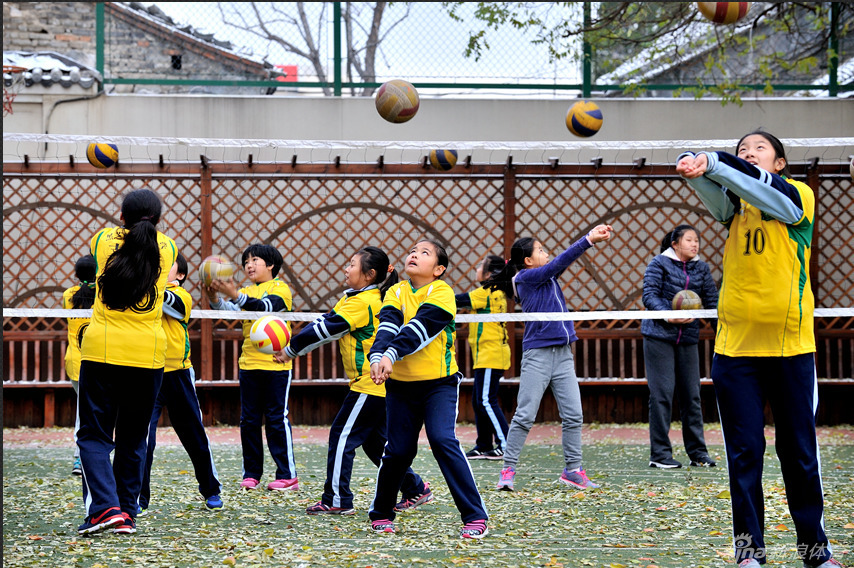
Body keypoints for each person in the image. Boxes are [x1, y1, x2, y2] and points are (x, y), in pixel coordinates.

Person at [676, 130, 840, 568]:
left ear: (780, 163)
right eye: (743, 150)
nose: (748, 154)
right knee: (744, 455)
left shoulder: (797, 197)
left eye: (758, 149)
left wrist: (717, 160)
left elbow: (753, 183)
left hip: (791, 350)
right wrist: (694, 165)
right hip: (736, 352)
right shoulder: (736, 212)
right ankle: (749, 553)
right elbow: (721, 194)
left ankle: (815, 553)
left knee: (800, 456)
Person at [273, 246, 433, 515]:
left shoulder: (364, 302)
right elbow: (327, 320)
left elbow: (328, 330)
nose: (346, 269)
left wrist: (291, 350)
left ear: (369, 275)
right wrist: (295, 342)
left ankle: (336, 499)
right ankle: (415, 488)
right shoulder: (355, 297)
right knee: (374, 444)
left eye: (351, 264)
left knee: (341, 436)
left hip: (370, 384)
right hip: (375, 384)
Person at [367, 240, 489, 539]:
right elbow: (388, 326)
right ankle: (381, 512)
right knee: (397, 451)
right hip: (401, 388)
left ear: (438, 269)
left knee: (442, 440)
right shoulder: (395, 291)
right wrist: (376, 356)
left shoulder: (443, 293)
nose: (414, 255)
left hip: (440, 385)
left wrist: (390, 355)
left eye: (424, 253)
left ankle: (475, 517)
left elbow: (420, 329)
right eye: (412, 251)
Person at [75, 188, 177, 536]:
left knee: (93, 435)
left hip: (102, 351)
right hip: (148, 357)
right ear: (159, 220)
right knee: (134, 440)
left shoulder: (104, 239)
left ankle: (105, 509)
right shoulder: (168, 246)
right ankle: (126, 516)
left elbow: (110, 246)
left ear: (122, 216)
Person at [485, 225, 614, 492]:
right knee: (525, 415)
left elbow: (557, 265)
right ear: (528, 261)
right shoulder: (524, 279)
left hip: (564, 355)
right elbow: (559, 263)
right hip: (538, 356)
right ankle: (508, 470)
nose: (546, 253)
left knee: (573, 415)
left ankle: (573, 471)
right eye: (541, 250)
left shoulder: (547, 277)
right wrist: (588, 239)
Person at [205, 244, 297, 491]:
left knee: (277, 419)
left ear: (271, 265)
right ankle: (252, 473)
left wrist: (235, 294)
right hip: (248, 364)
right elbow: (229, 310)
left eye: (255, 259)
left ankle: (287, 475)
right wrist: (215, 296)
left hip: (277, 365)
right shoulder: (245, 290)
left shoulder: (281, 289)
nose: (249, 265)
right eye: (246, 261)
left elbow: (266, 307)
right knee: (249, 420)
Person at [139, 252, 223, 514]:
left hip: (178, 374)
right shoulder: (141, 293)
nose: (160, 264)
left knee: (194, 436)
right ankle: (137, 499)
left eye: (168, 262)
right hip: (147, 374)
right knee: (143, 440)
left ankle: (211, 490)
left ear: (180, 275)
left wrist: (141, 283)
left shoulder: (181, 297)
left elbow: (168, 303)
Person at [642, 225, 718, 469]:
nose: (694, 244)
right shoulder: (658, 263)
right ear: (675, 243)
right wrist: (667, 315)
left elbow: (711, 301)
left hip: (687, 338)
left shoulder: (702, 268)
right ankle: (660, 455)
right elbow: (649, 295)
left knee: (692, 396)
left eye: (697, 240)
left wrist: (723, 333)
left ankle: (698, 453)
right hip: (659, 336)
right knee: (662, 394)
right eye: (689, 240)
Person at [455, 254, 511, 460]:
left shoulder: (488, 292)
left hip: (491, 354)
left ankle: (505, 444)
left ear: (489, 273)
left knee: (486, 401)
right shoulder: (493, 291)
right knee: (480, 401)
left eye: (480, 265)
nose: (476, 267)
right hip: (484, 355)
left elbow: (458, 300)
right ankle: (484, 444)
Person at [63, 254, 96, 477]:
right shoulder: (104, 296)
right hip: (96, 361)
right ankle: (82, 459)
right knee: (88, 414)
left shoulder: (68, 295)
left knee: (84, 412)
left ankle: (83, 458)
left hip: (74, 362)